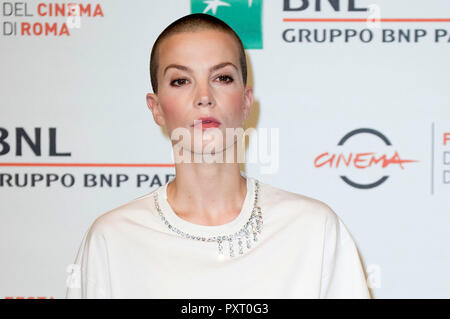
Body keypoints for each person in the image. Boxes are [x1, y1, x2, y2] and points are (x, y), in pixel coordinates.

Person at [66, 13, 371, 299]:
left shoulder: (314, 230)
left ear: (246, 101)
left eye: (222, 78)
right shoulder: (112, 240)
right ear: (156, 108)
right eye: (180, 81)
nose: (204, 97)